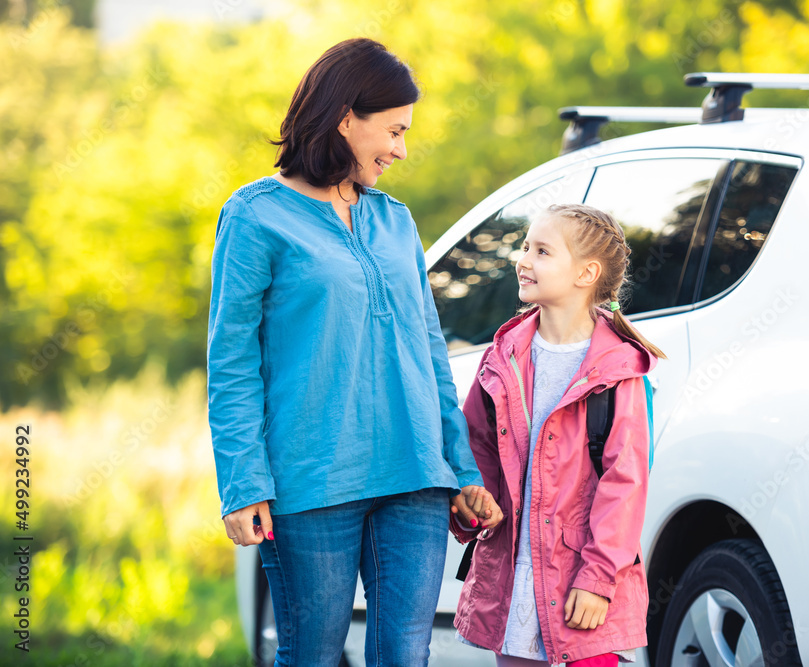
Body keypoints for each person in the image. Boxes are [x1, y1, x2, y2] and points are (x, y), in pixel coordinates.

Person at [206, 38, 500, 667]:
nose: (400, 149)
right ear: (345, 118)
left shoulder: (395, 220)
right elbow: (232, 363)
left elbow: (428, 353)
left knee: (405, 657)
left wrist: (462, 468)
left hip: (414, 473)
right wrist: (242, 482)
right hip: (312, 479)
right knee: (311, 655)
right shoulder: (257, 216)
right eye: (393, 131)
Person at [450, 203, 665, 666]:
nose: (522, 259)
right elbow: (477, 451)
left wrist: (598, 580)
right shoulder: (502, 356)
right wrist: (471, 504)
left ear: (586, 273)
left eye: (542, 251)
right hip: (513, 578)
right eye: (525, 246)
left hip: (580, 581)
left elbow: (624, 484)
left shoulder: (619, 369)